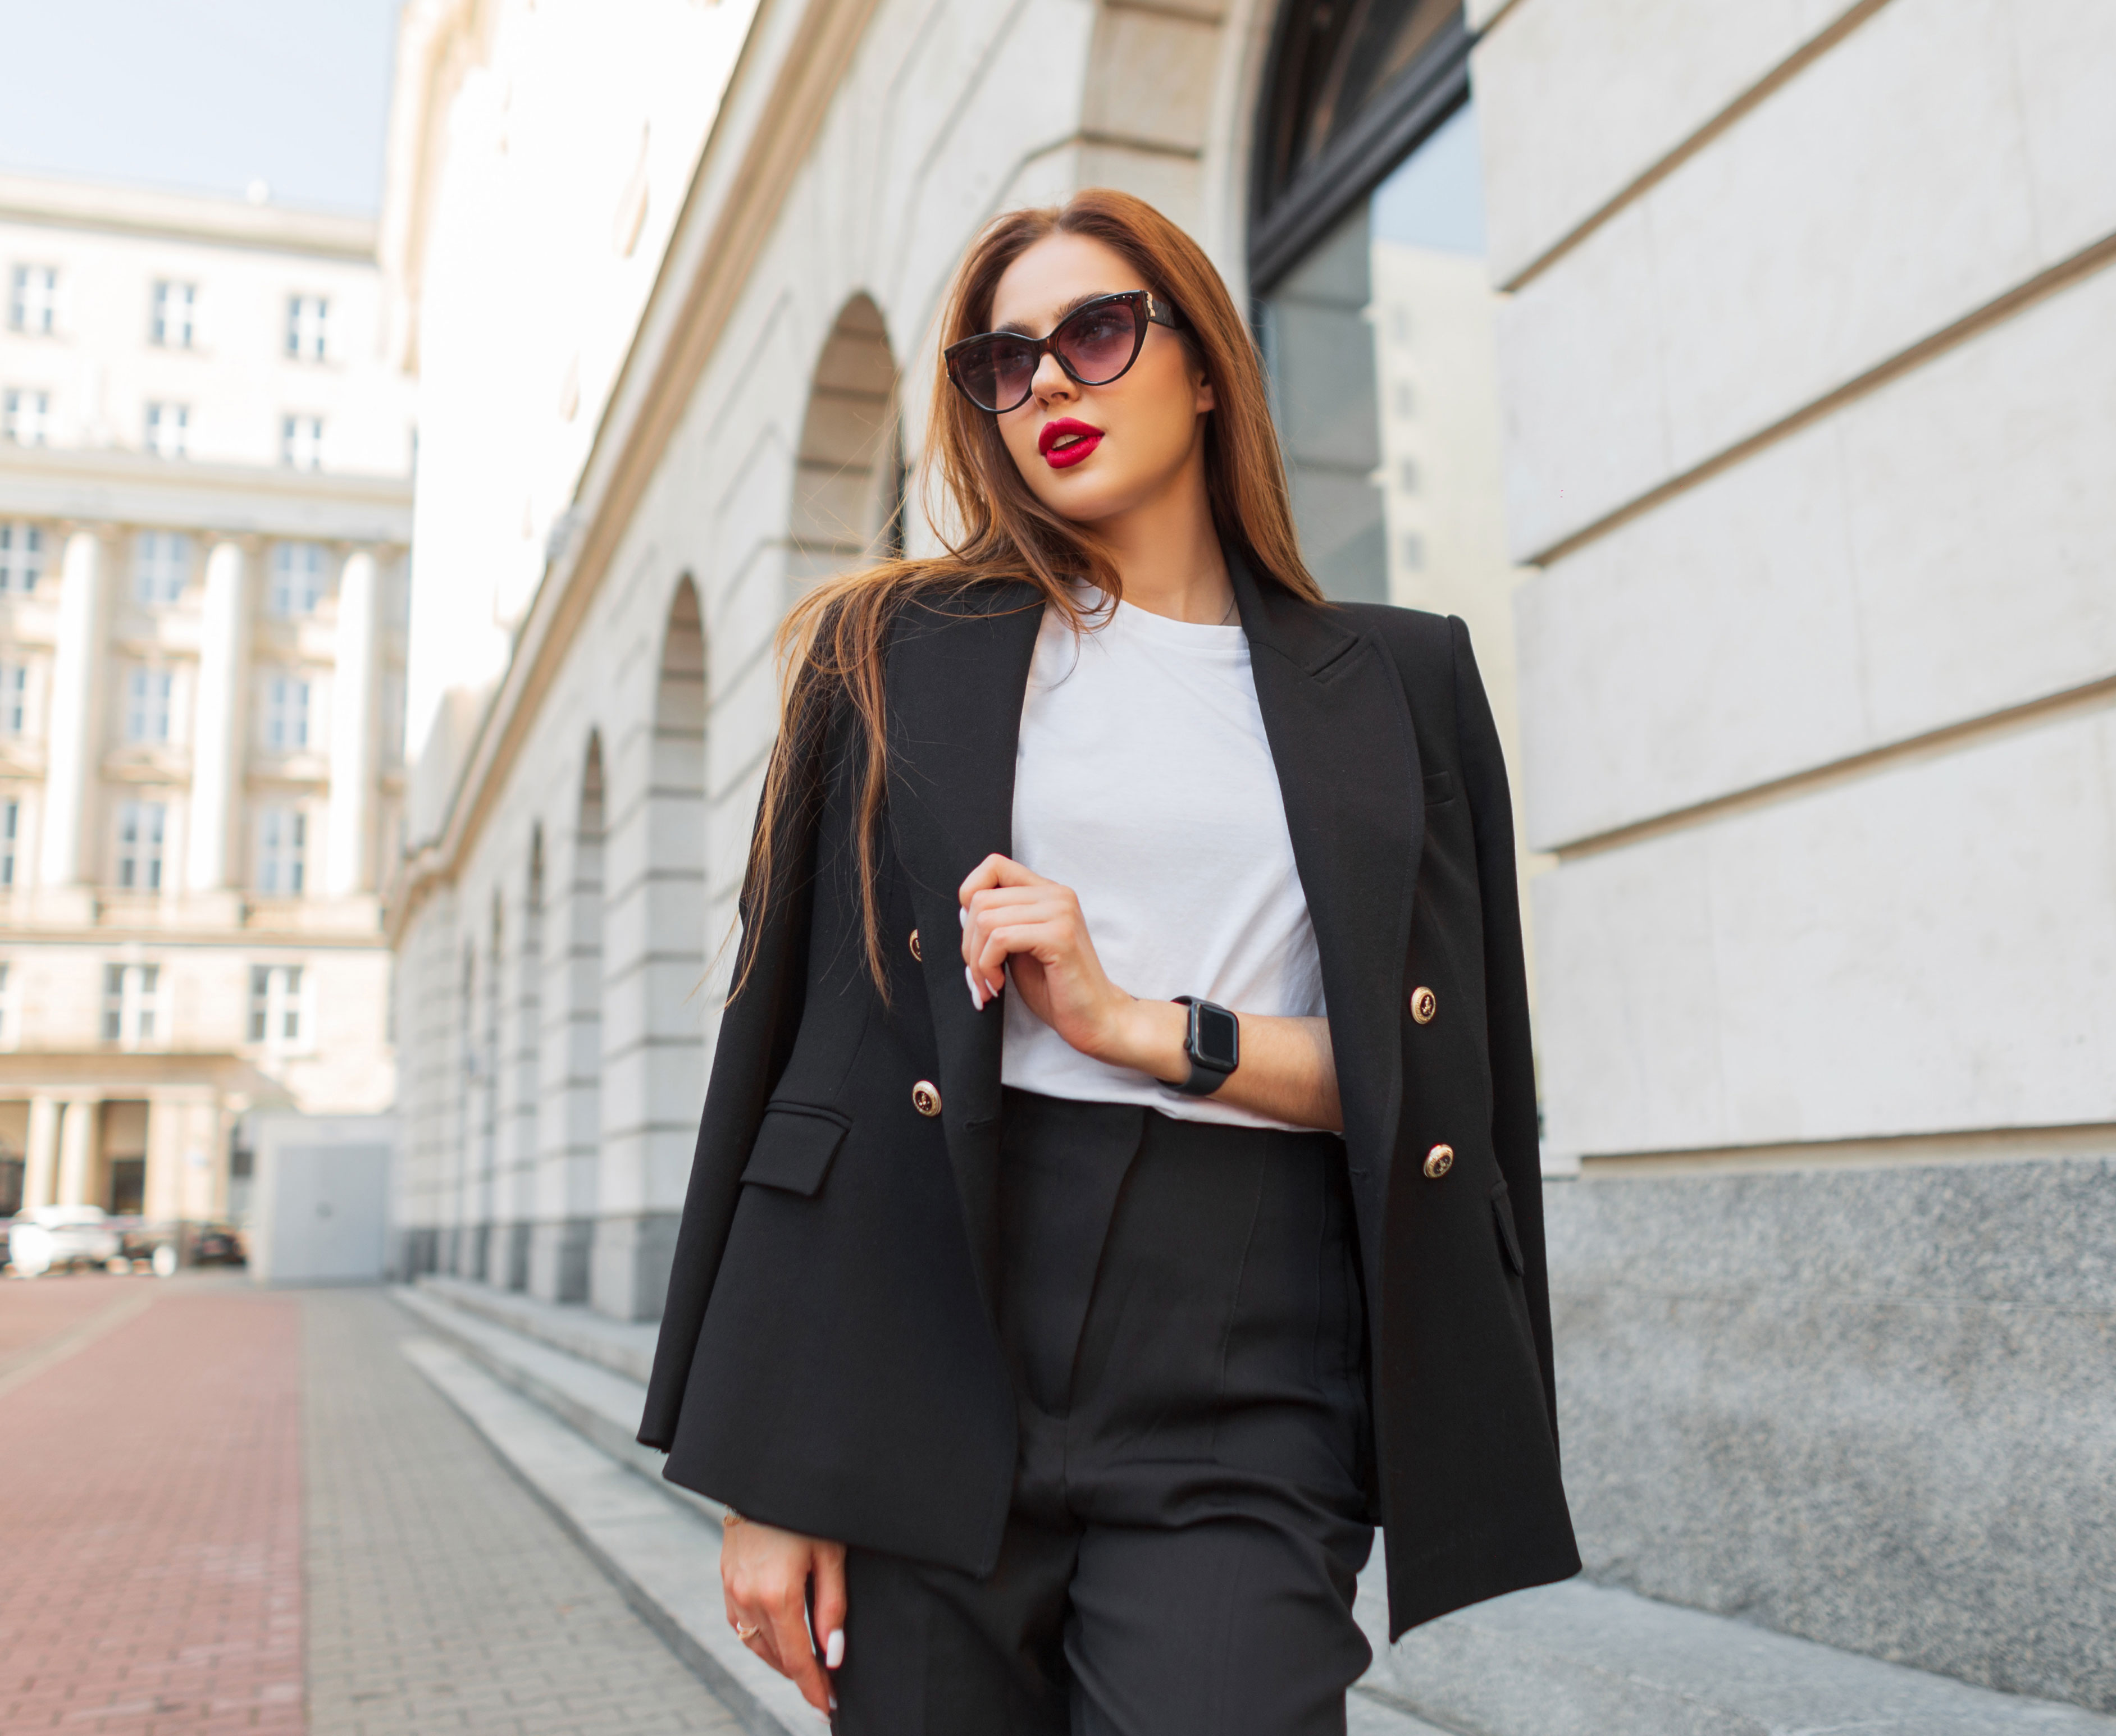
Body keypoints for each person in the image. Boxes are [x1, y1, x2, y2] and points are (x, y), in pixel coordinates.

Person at [641, 188, 1576, 1734]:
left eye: (1095, 330)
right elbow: (792, 1064)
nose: (1050, 385)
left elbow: (1442, 1095)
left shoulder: (1399, 683)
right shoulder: (890, 658)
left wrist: (1147, 1024)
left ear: (1206, 364)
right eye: (1006, 363)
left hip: (1251, 1353)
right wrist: (766, 1465)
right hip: (933, 1317)